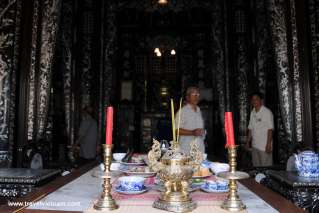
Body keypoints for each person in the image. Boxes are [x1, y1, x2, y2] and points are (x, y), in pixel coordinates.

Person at [245, 92, 274, 167]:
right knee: (256, 169)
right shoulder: (252, 112)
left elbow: (270, 129)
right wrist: (248, 142)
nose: (254, 101)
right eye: (253, 99)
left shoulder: (267, 112)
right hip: (255, 146)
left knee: (265, 169)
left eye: (256, 99)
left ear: (261, 100)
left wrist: (268, 145)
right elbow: (251, 128)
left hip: (264, 147)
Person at [175, 87, 205, 154]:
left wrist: (202, 132)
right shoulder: (182, 111)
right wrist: (192, 132)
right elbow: (176, 130)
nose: (196, 97)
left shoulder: (198, 110)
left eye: (198, 94)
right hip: (186, 149)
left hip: (199, 149)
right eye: (194, 94)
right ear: (188, 97)